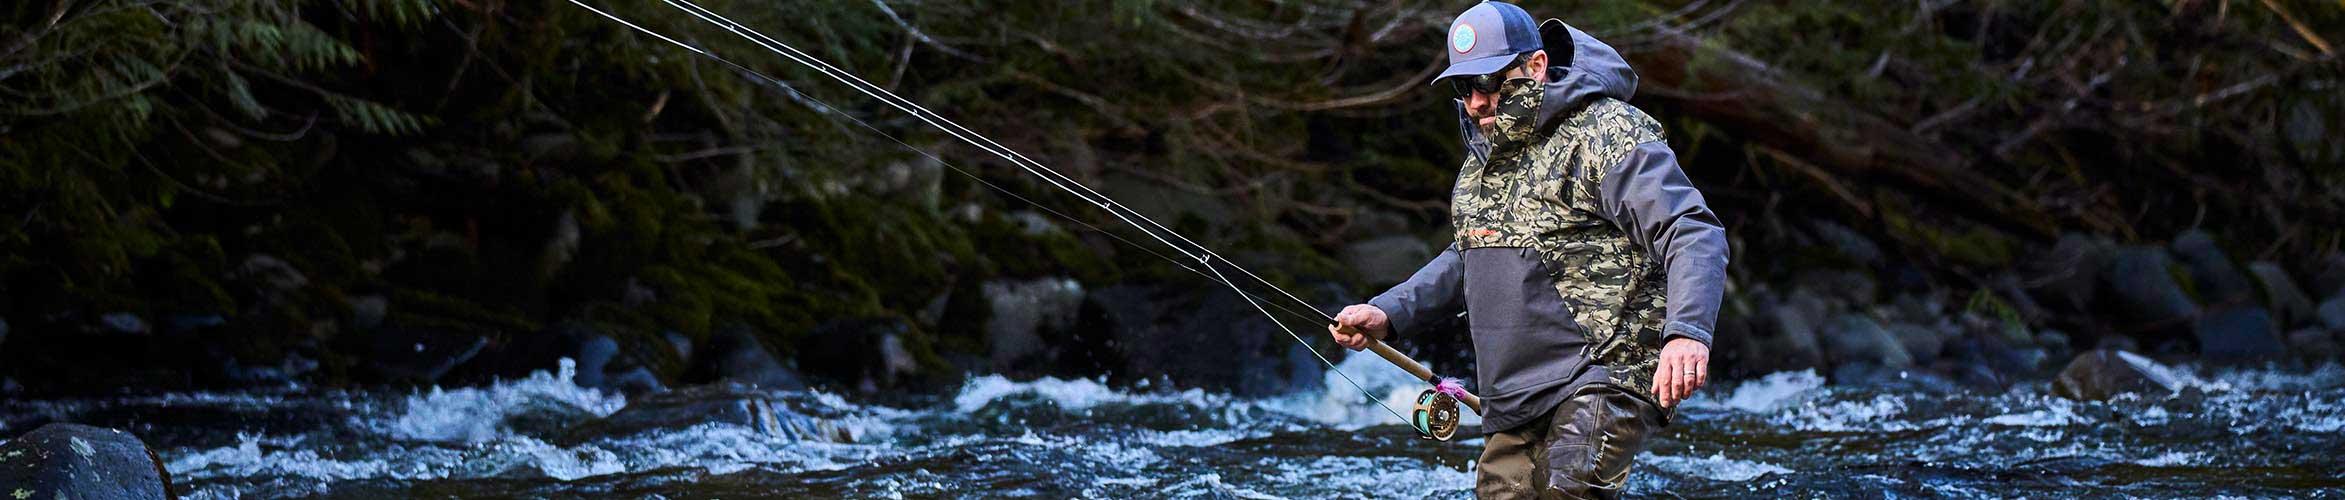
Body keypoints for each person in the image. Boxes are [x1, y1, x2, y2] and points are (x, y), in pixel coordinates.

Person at [1326, 2, 1731, 498]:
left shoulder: (1606, 132)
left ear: (1535, 66)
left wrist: (1687, 334)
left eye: (1489, 81)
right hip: (1514, 392)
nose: (1476, 101)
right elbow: (1469, 255)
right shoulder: (1481, 160)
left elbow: (1691, 230)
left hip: (1606, 368)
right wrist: (1387, 314)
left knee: (1568, 485)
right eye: (1463, 87)